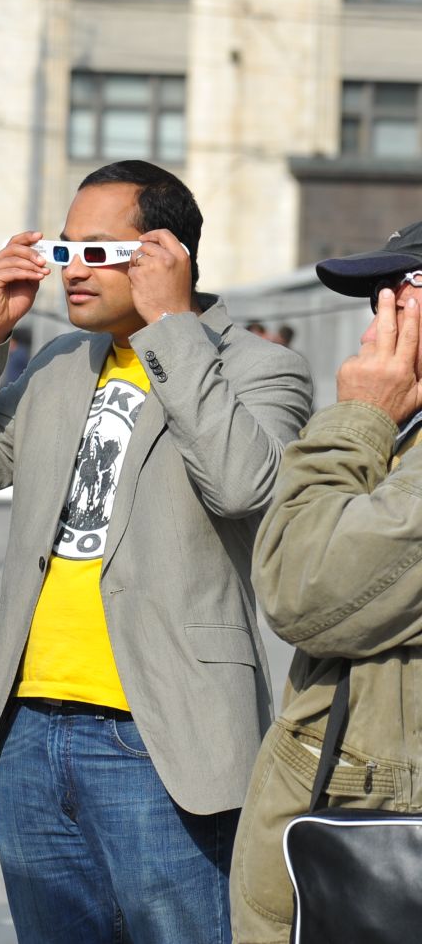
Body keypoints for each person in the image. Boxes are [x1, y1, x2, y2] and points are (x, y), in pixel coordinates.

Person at [0, 159, 314, 944]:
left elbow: (244, 487)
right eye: (64, 251)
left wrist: (173, 331)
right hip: (32, 734)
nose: (72, 272)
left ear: (166, 253)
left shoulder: (262, 368)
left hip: (162, 738)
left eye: (96, 251)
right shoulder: (62, 362)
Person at [230, 220, 422, 943]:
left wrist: (359, 416)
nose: (377, 318)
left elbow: (298, 588)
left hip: (377, 883)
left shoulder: (380, 421)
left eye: (397, 293)